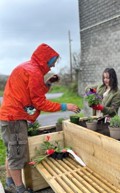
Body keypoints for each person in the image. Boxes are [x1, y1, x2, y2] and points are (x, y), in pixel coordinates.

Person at [0, 43, 80, 193]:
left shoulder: (28, 67)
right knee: (17, 154)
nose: (52, 67)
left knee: (11, 151)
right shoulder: (34, 72)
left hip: (8, 116)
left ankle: (10, 183)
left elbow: (34, 92)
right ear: (45, 60)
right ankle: (19, 189)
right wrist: (65, 107)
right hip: (15, 119)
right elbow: (40, 102)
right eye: (52, 63)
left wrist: (48, 83)